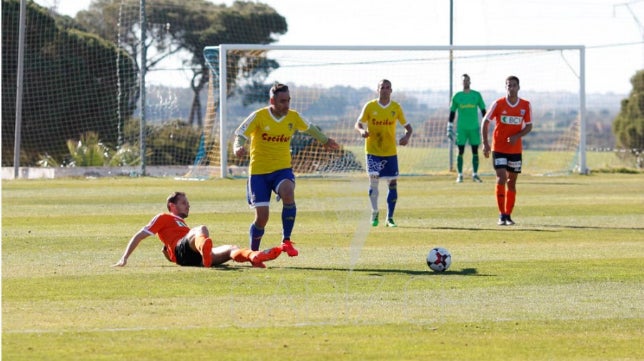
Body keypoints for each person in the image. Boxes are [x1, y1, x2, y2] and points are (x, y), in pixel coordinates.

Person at [233, 82, 339, 256]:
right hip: (259, 172)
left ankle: (286, 241)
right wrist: (237, 147)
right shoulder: (258, 116)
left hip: (282, 169)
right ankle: (253, 253)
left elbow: (310, 128)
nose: (286, 105)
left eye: (288, 100)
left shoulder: (293, 117)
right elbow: (241, 134)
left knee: (288, 192)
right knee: (262, 218)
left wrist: (325, 140)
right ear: (272, 100)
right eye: (282, 101)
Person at [113, 192, 282, 268]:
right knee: (200, 229)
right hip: (184, 250)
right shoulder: (163, 217)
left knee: (232, 248)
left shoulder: (183, 225)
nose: (188, 205)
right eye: (183, 203)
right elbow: (139, 235)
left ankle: (254, 256)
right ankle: (205, 253)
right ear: (172, 206)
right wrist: (124, 258)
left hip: (193, 257)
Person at [355, 79, 413, 227]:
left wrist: (406, 136)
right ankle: (374, 212)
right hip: (373, 151)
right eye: (382, 87)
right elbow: (358, 123)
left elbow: (408, 127)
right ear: (378, 90)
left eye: (388, 87)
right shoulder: (370, 106)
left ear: (391, 90)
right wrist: (362, 131)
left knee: (392, 183)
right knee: (373, 182)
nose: (385, 90)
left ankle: (390, 218)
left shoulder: (396, 107)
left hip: (390, 152)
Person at [481, 75, 533, 226]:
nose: (511, 88)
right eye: (508, 85)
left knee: (512, 182)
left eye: (514, 85)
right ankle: (501, 215)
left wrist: (517, 136)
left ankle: (509, 215)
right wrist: (485, 143)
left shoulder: (525, 105)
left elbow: (529, 126)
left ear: (518, 87)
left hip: (515, 149)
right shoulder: (498, 104)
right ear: (506, 87)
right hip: (499, 147)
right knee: (501, 178)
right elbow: (485, 121)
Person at [447, 73, 487, 183]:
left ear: (470, 81)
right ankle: (460, 175)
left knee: (475, 151)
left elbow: (483, 111)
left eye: (467, 80)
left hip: (474, 128)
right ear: (461, 82)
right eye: (464, 80)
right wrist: (449, 126)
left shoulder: (476, 95)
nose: (465, 82)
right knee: (460, 151)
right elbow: (452, 112)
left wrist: (486, 123)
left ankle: (475, 174)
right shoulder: (457, 96)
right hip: (462, 129)